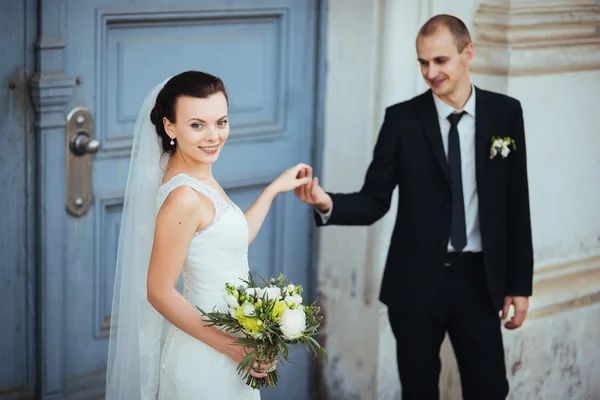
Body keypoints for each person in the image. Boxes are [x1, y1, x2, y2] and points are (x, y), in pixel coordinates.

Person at [295, 14, 533, 400]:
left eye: (440, 61)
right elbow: (374, 200)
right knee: (418, 391)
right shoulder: (402, 120)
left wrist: (519, 284)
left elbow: (515, 202)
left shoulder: (505, 113)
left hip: (479, 281)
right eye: (423, 62)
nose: (430, 72)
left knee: (490, 389)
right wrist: (327, 203)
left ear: (467, 53)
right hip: (415, 284)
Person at [105, 70, 312, 399]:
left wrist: (273, 190)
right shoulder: (184, 196)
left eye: (221, 122)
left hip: (231, 350)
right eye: (197, 125)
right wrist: (235, 347)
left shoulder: (197, 175)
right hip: (204, 360)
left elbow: (224, 245)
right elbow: (159, 291)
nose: (213, 136)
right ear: (170, 127)